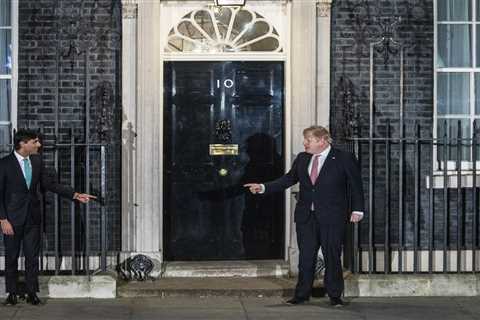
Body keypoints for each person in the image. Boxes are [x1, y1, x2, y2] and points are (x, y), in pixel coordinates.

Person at [244, 126, 364, 307]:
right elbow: (288, 179)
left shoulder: (343, 158)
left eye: (309, 140)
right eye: (305, 139)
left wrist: (358, 210)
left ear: (323, 140)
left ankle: (335, 296)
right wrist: (263, 187)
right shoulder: (302, 158)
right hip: (306, 216)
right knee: (306, 257)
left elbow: (356, 185)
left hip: (332, 216)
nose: (304, 143)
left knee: (332, 256)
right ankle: (301, 294)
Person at [0, 129, 96, 306]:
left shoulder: (36, 161)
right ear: (23, 144)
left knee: (32, 257)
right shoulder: (4, 164)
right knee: (11, 257)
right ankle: (12, 293)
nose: (39, 145)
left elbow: (49, 184)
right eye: (35, 142)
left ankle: (31, 292)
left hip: (33, 217)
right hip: (12, 219)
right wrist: (3, 219)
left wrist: (75, 194)